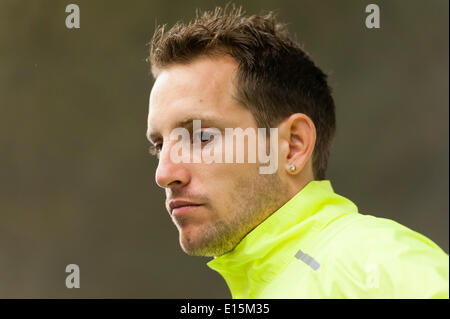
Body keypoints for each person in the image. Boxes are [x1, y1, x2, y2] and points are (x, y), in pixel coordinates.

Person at [145, 5, 449, 298]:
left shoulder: (375, 266)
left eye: (202, 137)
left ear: (292, 146)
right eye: (159, 145)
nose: (164, 174)